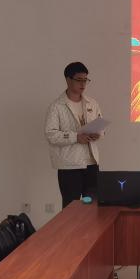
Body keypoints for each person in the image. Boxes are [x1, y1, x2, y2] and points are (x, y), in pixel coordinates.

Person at [45, 62, 103, 208]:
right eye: (79, 80)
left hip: (92, 163)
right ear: (68, 79)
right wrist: (75, 137)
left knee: (93, 207)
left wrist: (98, 134)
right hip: (69, 166)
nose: (83, 84)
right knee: (71, 209)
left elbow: (101, 126)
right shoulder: (56, 106)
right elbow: (51, 135)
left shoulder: (92, 103)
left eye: (85, 80)